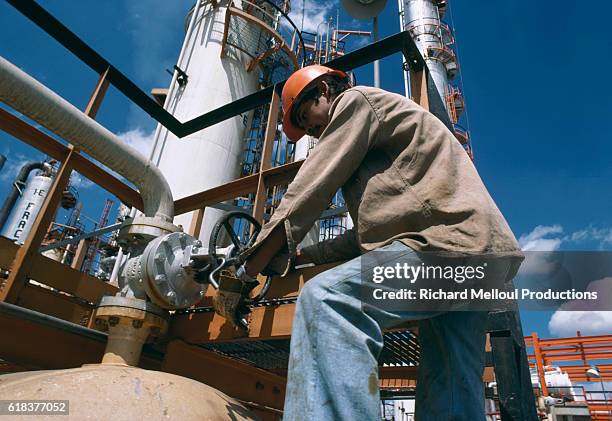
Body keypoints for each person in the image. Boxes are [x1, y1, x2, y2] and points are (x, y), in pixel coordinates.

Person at [213, 65, 524, 420]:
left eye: (306, 117)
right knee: (452, 384)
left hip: (445, 245)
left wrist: (243, 272)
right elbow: (366, 236)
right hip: (480, 255)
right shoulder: (383, 155)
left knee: (328, 302)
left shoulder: (354, 101)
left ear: (324, 92)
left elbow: (310, 189)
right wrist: (300, 256)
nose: (313, 131)